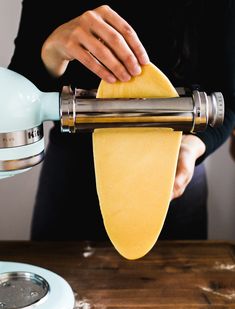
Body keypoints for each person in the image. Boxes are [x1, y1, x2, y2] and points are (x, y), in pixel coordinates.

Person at [8, 1, 235, 241]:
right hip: (71, 178)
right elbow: (18, 94)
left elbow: (227, 101)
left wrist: (192, 147)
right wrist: (53, 50)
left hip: (173, 174)